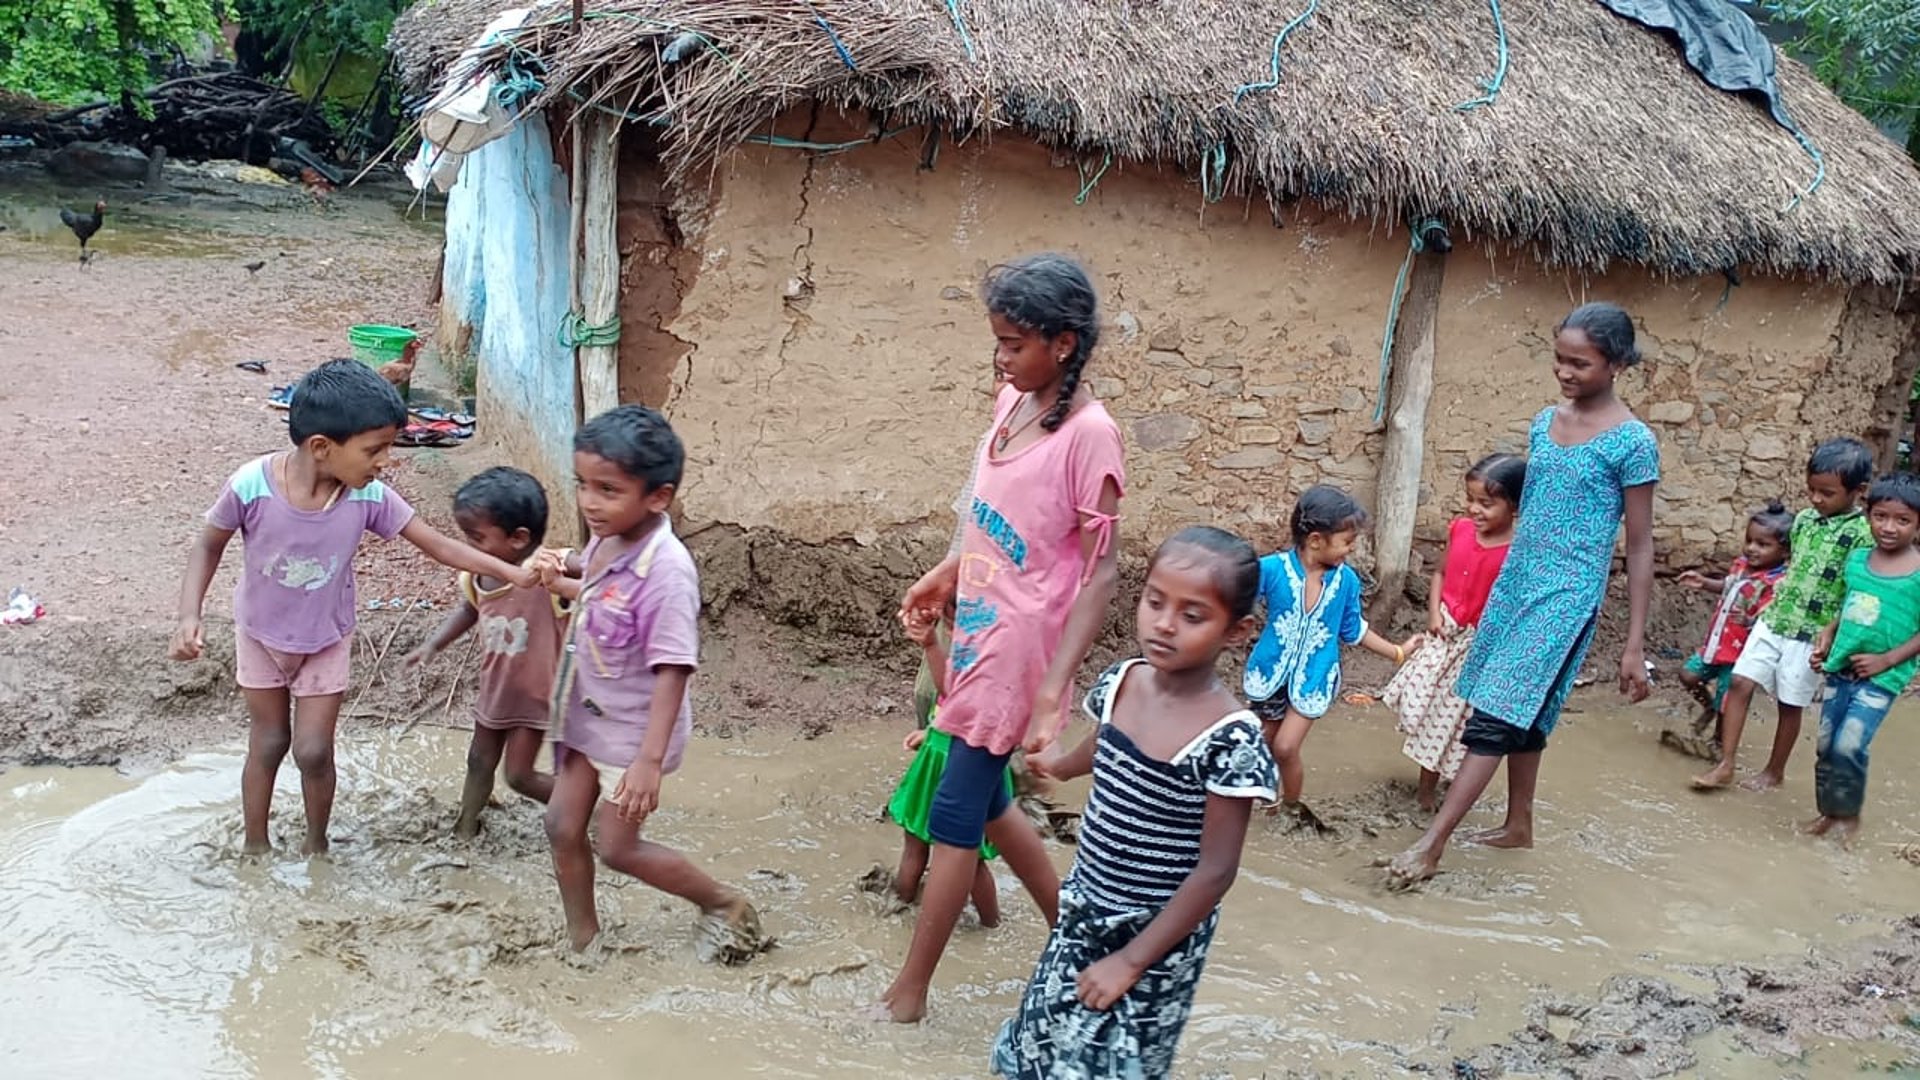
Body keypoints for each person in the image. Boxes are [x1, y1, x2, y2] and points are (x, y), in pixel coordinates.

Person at [875, 253, 1126, 1023]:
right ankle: (1076, 940)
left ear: (1062, 342)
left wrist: (1054, 686)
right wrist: (945, 572)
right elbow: (994, 519)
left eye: (1014, 343)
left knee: (954, 817)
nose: (1000, 357)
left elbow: (1103, 572)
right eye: (997, 341)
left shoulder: (1092, 436)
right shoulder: (1010, 405)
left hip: (1019, 651)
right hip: (978, 628)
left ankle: (909, 995)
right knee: (986, 806)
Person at [168, 360, 536, 856]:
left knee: (314, 751)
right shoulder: (250, 485)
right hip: (258, 635)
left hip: (326, 639)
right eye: (374, 449)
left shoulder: (369, 498)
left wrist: (514, 573)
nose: (385, 460)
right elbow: (208, 545)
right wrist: (189, 615)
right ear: (322, 447)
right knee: (270, 741)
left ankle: (316, 847)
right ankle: (255, 847)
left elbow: (438, 546)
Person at [1385, 302, 1658, 885]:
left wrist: (1633, 643)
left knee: (1497, 711)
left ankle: (1432, 845)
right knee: (1524, 710)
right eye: (1559, 360)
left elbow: (1638, 546)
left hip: (1565, 595)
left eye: (1579, 364)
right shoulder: (1543, 422)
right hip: (1517, 584)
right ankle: (1519, 825)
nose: (1564, 372)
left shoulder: (1633, 444)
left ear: (1615, 365)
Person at [993, 527, 1279, 1078]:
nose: (1165, 624)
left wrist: (1132, 960)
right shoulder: (1122, 682)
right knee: (1039, 1038)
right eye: (1155, 602)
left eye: (1193, 616)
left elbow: (1216, 871)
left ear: (1238, 631)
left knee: (1118, 1062)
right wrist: (1058, 765)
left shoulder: (1231, 738)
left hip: (1158, 936)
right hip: (1084, 905)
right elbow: (1106, 745)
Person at [531, 405, 762, 959]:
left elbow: (674, 670)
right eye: (582, 485)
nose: (589, 502)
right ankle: (582, 941)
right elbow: (594, 586)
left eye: (607, 490)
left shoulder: (668, 574)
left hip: (634, 735)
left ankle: (724, 902)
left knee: (618, 848)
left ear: (657, 498)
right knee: (561, 825)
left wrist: (649, 763)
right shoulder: (608, 537)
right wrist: (557, 570)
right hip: (587, 715)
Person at [1691, 438, 1874, 790]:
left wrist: (1835, 636)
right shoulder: (1803, 520)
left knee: (1790, 704)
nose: (1816, 499)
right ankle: (1726, 763)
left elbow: (1857, 591)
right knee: (1741, 682)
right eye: (1811, 490)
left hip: (1812, 633)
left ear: (1858, 491)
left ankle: (1774, 771)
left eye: (1827, 493)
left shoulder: (1861, 535)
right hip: (1775, 619)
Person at [1243, 484, 1423, 825]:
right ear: (1315, 540)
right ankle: (1251, 803)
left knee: (1285, 747)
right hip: (1270, 674)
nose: (1351, 549)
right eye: (1346, 542)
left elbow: (1354, 631)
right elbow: (1240, 601)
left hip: (1314, 678)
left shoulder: (1347, 583)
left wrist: (1398, 652)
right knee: (1262, 742)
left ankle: (1291, 809)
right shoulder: (1271, 569)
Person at [404, 467, 567, 838]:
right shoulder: (476, 576)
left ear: (518, 538)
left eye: (475, 538)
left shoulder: (547, 574)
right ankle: (465, 827)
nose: (467, 547)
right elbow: (468, 610)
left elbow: (587, 574)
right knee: (478, 760)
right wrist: (432, 644)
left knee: (519, 776)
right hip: (495, 690)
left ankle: (584, 808)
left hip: (535, 696)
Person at [1385, 453, 1525, 813]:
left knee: (1450, 719)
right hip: (1444, 633)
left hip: (1476, 646)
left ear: (1514, 507)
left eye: (1486, 503)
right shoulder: (1460, 529)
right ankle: (1432, 784)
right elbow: (1440, 574)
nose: (1475, 510)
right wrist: (1433, 612)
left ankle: (1430, 793)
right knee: (1420, 703)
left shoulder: (1516, 554)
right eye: (1471, 500)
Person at [1806, 472, 1920, 847]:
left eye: (1902, 520)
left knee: (1849, 745)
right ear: (1868, 515)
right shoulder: (1856, 560)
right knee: (1825, 744)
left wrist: (1888, 659)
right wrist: (1828, 635)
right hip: (1841, 668)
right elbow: (1850, 607)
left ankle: (1849, 815)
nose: (1889, 528)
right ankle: (1828, 811)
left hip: (1882, 676)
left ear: (1917, 525)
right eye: (1880, 517)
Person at [884, 599, 1005, 926]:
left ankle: (895, 911)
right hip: (966, 760)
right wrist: (932, 731)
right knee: (972, 858)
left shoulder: (973, 657)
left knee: (915, 845)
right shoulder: (1000, 659)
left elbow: (951, 694)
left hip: (949, 760)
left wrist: (931, 644)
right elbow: (957, 705)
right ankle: (991, 924)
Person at [1671, 501, 1792, 737]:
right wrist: (1705, 583)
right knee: (1688, 675)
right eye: (1749, 541)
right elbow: (1729, 588)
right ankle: (1709, 708)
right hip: (1717, 644)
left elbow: (1773, 617)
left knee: (1728, 699)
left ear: (1785, 551)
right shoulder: (1741, 566)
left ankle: (1718, 743)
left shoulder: (1777, 583)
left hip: (1742, 654)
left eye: (1763, 544)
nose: (1752, 548)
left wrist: (1750, 620)